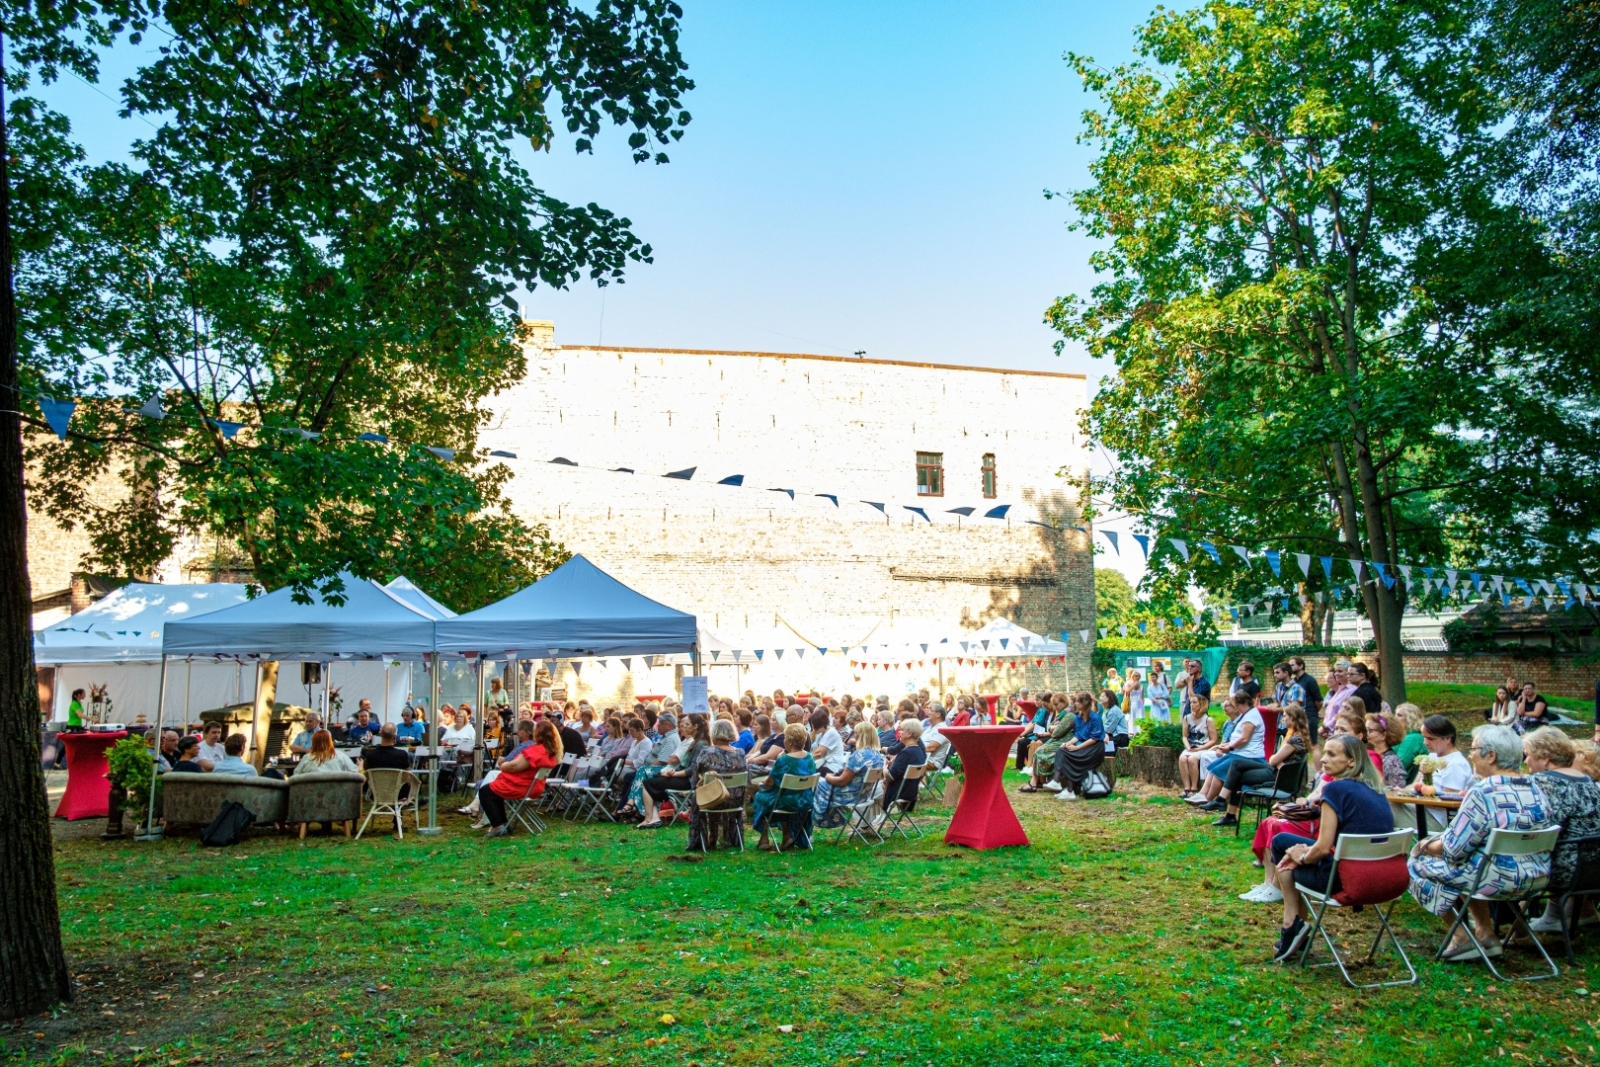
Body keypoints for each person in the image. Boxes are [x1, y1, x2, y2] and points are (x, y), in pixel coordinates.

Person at [1408, 724, 1552, 962]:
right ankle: (1486, 934)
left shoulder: (1483, 792)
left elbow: (1453, 850)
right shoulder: (1536, 788)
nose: (1470, 754)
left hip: (1496, 879)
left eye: (1474, 749)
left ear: (1492, 755)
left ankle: (1463, 937)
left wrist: (1423, 845)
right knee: (1472, 862)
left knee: (1417, 863)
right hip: (1536, 878)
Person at [1266, 734, 1396, 962]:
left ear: (1352, 761)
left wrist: (1303, 857)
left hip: (1347, 879)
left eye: (1332, 754)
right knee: (1285, 844)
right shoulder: (1376, 790)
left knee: (1282, 848)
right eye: (1324, 752)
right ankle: (1296, 925)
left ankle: (1292, 924)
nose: (1323, 759)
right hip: (1386, 878)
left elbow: (1323, 847)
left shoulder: (1335, 790)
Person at [1522, 727, 1600, 933]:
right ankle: (1550, 916)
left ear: (1545, 758)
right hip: (1593, 869)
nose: (1525, 762)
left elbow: (1539, 830)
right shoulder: (1589, 782)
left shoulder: (1546, 783)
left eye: (1528, 755)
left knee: (1507, 853)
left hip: (1566, 872)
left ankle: (1508, 924)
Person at [1206, 703, 1310, 827]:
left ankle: (1225, 807)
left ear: (1293, 718)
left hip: (1277, 776)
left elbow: (1273, 760)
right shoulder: (1297, 736)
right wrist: (1275, 760)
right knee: (1237, 764)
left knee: (1236, 774)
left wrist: (1274, 759)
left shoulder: (1295, 740)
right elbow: (1276, 760)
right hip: (1276, 771)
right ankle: (1223, 805)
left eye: (1285, 716)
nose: (1283, 719)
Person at [477, 720, 561, 837]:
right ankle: (502, 823)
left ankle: (497, 826)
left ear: (538, 733)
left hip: (522, 786)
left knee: (485, 791)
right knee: (494, 792)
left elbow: (514, 766)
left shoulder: (535, 751)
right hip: (535, 786)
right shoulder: (550, 752)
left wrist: (502, 765)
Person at [1186, 693, 1264, 806]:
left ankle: (1209, 799)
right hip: (1241, 753)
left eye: (1233, 704)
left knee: (1220, 769)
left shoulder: (1251, 716)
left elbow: (1244, 738)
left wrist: (1230, 747)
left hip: (1249, 756)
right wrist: (1226, 745)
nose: (1234, 707)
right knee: (1215, 766)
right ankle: (1203, 794)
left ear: (1239, 704)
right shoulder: (1246, 715)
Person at [751, 724, 818, 851]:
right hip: (805, 801)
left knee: (761, 796)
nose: (784, 741)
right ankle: (787, 836)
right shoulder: (809, 757)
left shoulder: (784, 760)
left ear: (791, 741)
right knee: (778, 795)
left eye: (785, 738)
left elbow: (770, 782)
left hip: (787, 802)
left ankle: (764, 839)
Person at [637, 717, 709, 830]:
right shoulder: (695, 742)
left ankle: (649, 819)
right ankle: (654, 817)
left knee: (647, 783)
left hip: (690, 782)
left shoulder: (700, 744)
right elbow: (684, 765)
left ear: (696, 727)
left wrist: (673, 774)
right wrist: (672, 771)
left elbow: (693, 770)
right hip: (686, 778)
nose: (683, 727)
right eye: (683, 724)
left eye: (687, 724)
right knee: (653, 779)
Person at [688, 719, 749, 850]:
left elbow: (696, 774)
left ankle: (704, 838)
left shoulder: (707, 752)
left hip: (711, 799)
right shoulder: (740, 753)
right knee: (716, 792)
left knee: (700, 794)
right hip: (734, 801)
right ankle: (720, 837)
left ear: (714, 733)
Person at [815, 719, 885, 828]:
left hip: (850, 795)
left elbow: (842, 781)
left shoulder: (859, 755)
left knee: (815, 784)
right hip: (864, 794)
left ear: (862, 736)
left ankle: (815, 822)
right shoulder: (878, 756)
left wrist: (828, 777)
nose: (854, 737)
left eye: (856, 734)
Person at [1052, 691, 1106, 801]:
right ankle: (1057, 782)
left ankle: (1070, 790)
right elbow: (1078, 735)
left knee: (1072, 756)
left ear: (1084, 703)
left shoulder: (1095, 718)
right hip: (1084, 746)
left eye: (1077, 702)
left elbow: (1094, 739)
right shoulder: (1078, 718)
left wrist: (1077, 748)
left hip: (1095, 748)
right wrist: (1069, 743)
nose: (1075, 704)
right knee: (1062, 750)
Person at [1020, 693, 1074, 793]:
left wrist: (1053, 728)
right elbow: (1052, 727)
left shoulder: (1069, 714)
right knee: (1038, 751)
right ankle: (1037, 782)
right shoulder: (1062, 714)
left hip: (1064, 741)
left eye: (1056, 704)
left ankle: (1035, 783)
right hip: (1057, 740)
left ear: (1063, 702)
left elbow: (1057, 732)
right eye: (1054, 704)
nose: (1055, 706)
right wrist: (1053, 728)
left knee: (1040, 752)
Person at [883, 718, 928, 816]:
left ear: (909, 734)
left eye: (902, 730)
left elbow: (889, 777)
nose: (899, 732)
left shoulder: (906, 753)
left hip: (898, 793)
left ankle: (869, 823)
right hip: (911, 793)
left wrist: (884, 765)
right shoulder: (917, 751)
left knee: (871, 790)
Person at [1178, 693, 1219, 797]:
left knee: (1192, 759)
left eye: (1194, 702)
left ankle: (1194, 788)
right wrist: (1187, 746)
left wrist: (1199, 748)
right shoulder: (1187, 718)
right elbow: (1184, 736)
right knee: (1182, 758)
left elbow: (1213, 740)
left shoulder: (1208, 720)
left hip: (1204, 747)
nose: (1192, 705)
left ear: (1201, 704)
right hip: (1191, 746)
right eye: (1191, 702)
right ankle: (1186, 788)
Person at [1365, 711, 1408, 789]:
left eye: (1370, 731)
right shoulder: (1368, 753)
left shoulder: (1392, 761)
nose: (1366, 734)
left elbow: (1398, 789)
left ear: (1383, 735)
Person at [293, 729, 358, 776]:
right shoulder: (341, 756)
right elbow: (354, 773)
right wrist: (360, 767)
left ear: (313, 742)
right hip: (336, 793)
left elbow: (296, 776)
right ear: (330, 741)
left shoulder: (307, 758)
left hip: (312, 794)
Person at [1392, 702, 1428, 781]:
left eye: (1399, 715)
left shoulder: (1413, 738)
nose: (1394, 718)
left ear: (1411, 718)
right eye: (1395, 714)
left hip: (1401, 784)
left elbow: (1397, 766)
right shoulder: (1405, 736)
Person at [1288, 656, 1321, 739]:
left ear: (1301, 666)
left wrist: (1313, 712)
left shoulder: (1310, 680)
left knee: (1312, 745)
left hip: (1309, 716)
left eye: (1292, 665)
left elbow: (1319, 700)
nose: (1290, 668)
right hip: (1297, 717)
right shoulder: (1293, 682)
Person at [1320, 663, 1356, 736]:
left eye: (1340, 671)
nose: (1336, 674)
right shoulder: (1340, 689)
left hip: (1339, 732)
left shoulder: (1352, 690)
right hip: (1330, 732)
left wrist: (1325, 727)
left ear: (1348, 673)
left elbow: (1343, 712)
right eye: (1336, 671)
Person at [1100, 690, 1130, 754]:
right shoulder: (1111, 710)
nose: (1100, 698)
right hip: (1116, 737)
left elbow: (1108, 729)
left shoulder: (1113, 711)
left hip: (1120, 737)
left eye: (1102, 696)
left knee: (1099, 747)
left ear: (1109, 698)